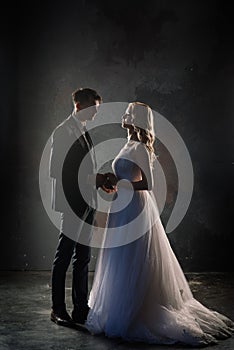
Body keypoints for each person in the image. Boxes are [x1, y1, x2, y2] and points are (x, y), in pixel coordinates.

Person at [85, 102, 234, 346]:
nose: (124, 115)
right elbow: (126, 176)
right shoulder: (128, 143)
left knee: (133, 258)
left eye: (129, 113)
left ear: (138, 120)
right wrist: (115, 181)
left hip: (135, 207)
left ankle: (136, 310)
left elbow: (148, 184)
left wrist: (122, 185)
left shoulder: (141, 147)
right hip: (122, 207)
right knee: (120, 258)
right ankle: (120, 306)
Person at [49, 87, 117, 327]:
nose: (96, 115)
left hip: (88, 202)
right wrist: (97, 179)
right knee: (64, 257)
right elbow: (57, 171)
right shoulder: (63, 131)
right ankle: (57, 310)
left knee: (83, 258)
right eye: (93, 109)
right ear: (79, 105)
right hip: (72, 204)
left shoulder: (84, 130)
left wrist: (99, 182)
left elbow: (85, 168)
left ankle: (80, 309)